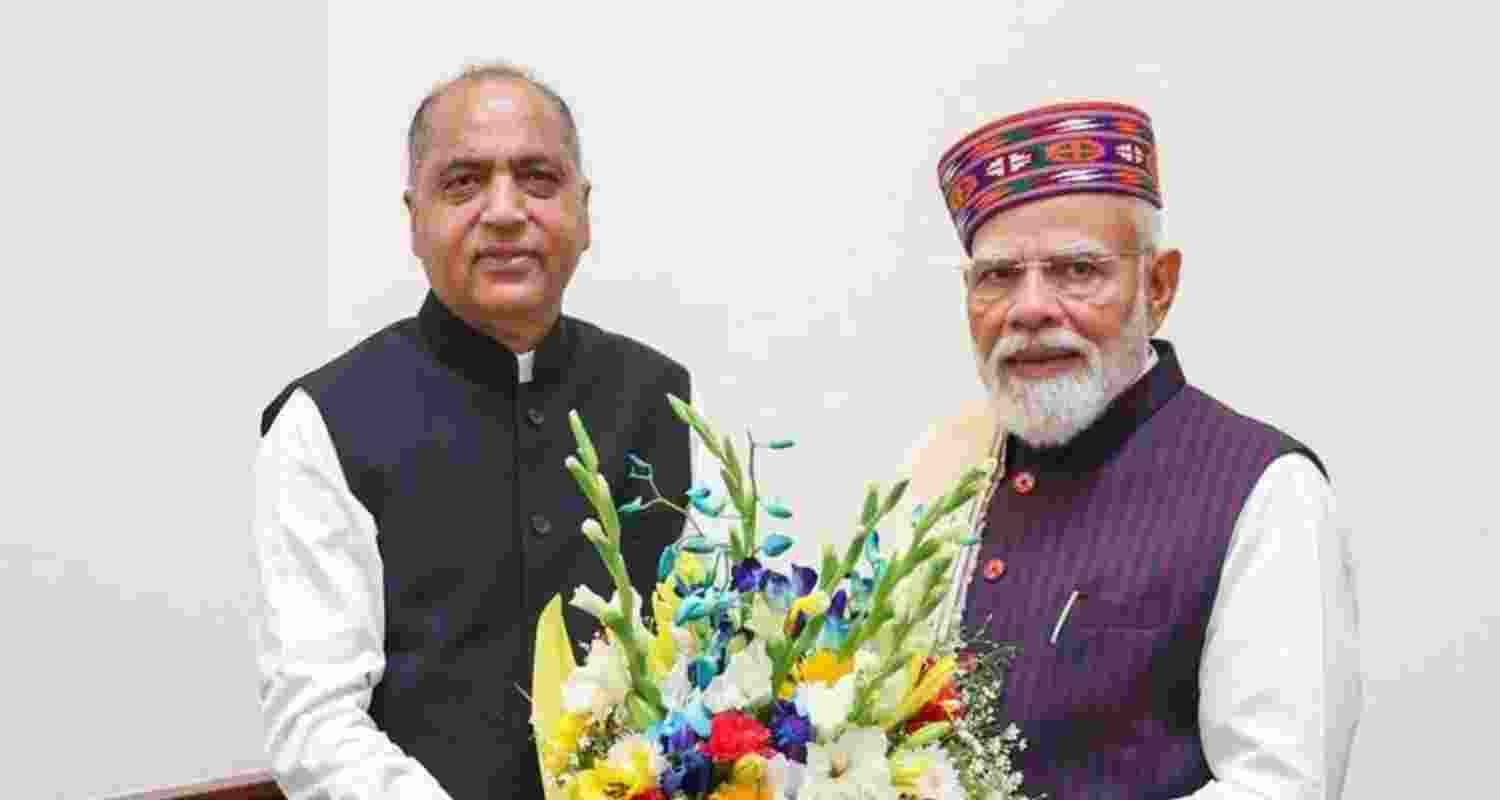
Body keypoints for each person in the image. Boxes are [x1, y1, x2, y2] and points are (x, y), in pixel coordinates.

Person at [251, 62, 704, 799]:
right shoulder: (322, 423)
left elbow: (708, 662)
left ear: (584, 211)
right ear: (415, 217)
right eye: (463, 182)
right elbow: (317, 724)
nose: (504, 211)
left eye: (538, 179)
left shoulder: (662, 400)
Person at [900, 101, 1362, 798]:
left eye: (1076, 270)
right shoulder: (939, 469)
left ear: (1159, 286)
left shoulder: (1267, 490)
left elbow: (1276, 789)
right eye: (998, 276)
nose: (1030, 309)